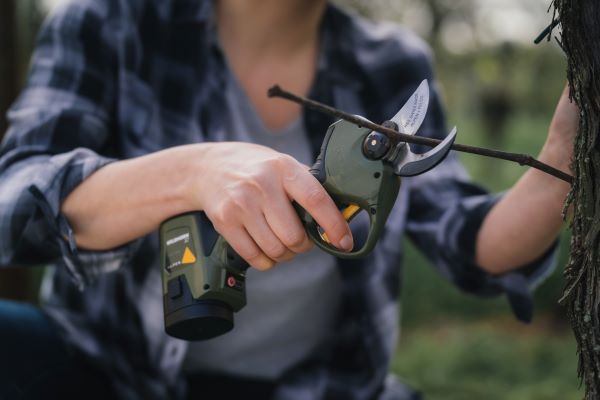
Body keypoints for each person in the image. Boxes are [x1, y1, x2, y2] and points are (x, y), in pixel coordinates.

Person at [0, 0, 576, 399]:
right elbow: (14, 203)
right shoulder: (108, 21)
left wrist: (563, 156)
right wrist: (192, 172)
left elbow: (472, 241)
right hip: (107, 374)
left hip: (322, 388)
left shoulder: (390, 63)